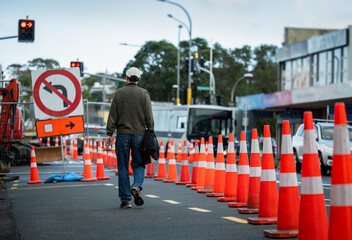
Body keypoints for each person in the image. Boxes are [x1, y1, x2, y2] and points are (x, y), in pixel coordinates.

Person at [105, 67, 154, 208]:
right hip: (140, 135)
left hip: (122, 135)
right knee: (139, 164)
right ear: (139, 79)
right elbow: (148, 115)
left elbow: (113, 115)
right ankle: (137, 186)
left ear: (126, 78)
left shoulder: (119, 93)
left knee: (123, 167)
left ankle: (125, 200)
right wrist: (150, 130)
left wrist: (109, 133)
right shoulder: (144, 94)